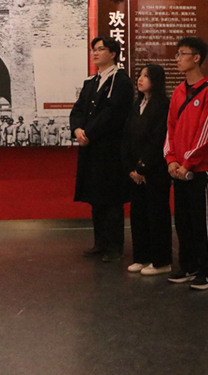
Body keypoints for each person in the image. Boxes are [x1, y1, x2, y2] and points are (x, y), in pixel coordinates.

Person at [164, 36, 208, 290]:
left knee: (202, 223)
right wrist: (171, 160)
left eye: (182, 54)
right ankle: (187, 266)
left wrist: (187, 163)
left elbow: (207, 133)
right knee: (183, 222)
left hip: (199, 171)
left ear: (196, 58)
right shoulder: (178, 91)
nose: (178, 58)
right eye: (177, 54)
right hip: (178, 170)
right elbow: (170, 128)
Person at [70, 36, 134, 262]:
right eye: (93, 50)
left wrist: (89, 133)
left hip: (110, 149)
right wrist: (78, 129)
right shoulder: (91, 81)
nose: (95, 53)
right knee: (96, 197)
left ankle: (114, 247)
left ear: (113, 53)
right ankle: (100, 243)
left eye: (100, 49)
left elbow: (113, 114)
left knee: (111, 198)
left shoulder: (121, 81)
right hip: (91, 149)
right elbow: (78, 110)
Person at [122, 64, 172, 276]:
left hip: (155, 171)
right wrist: (131, 168)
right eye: (140, 76)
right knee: (138, 214)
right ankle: (141, 257)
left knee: (156, 214)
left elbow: (158, 138)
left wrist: (143, 167)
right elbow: (127, 136)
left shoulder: (163, 105)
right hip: (136, 172)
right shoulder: (137, 104)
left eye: (146, 76)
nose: (140, 79)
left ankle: (161, 261)